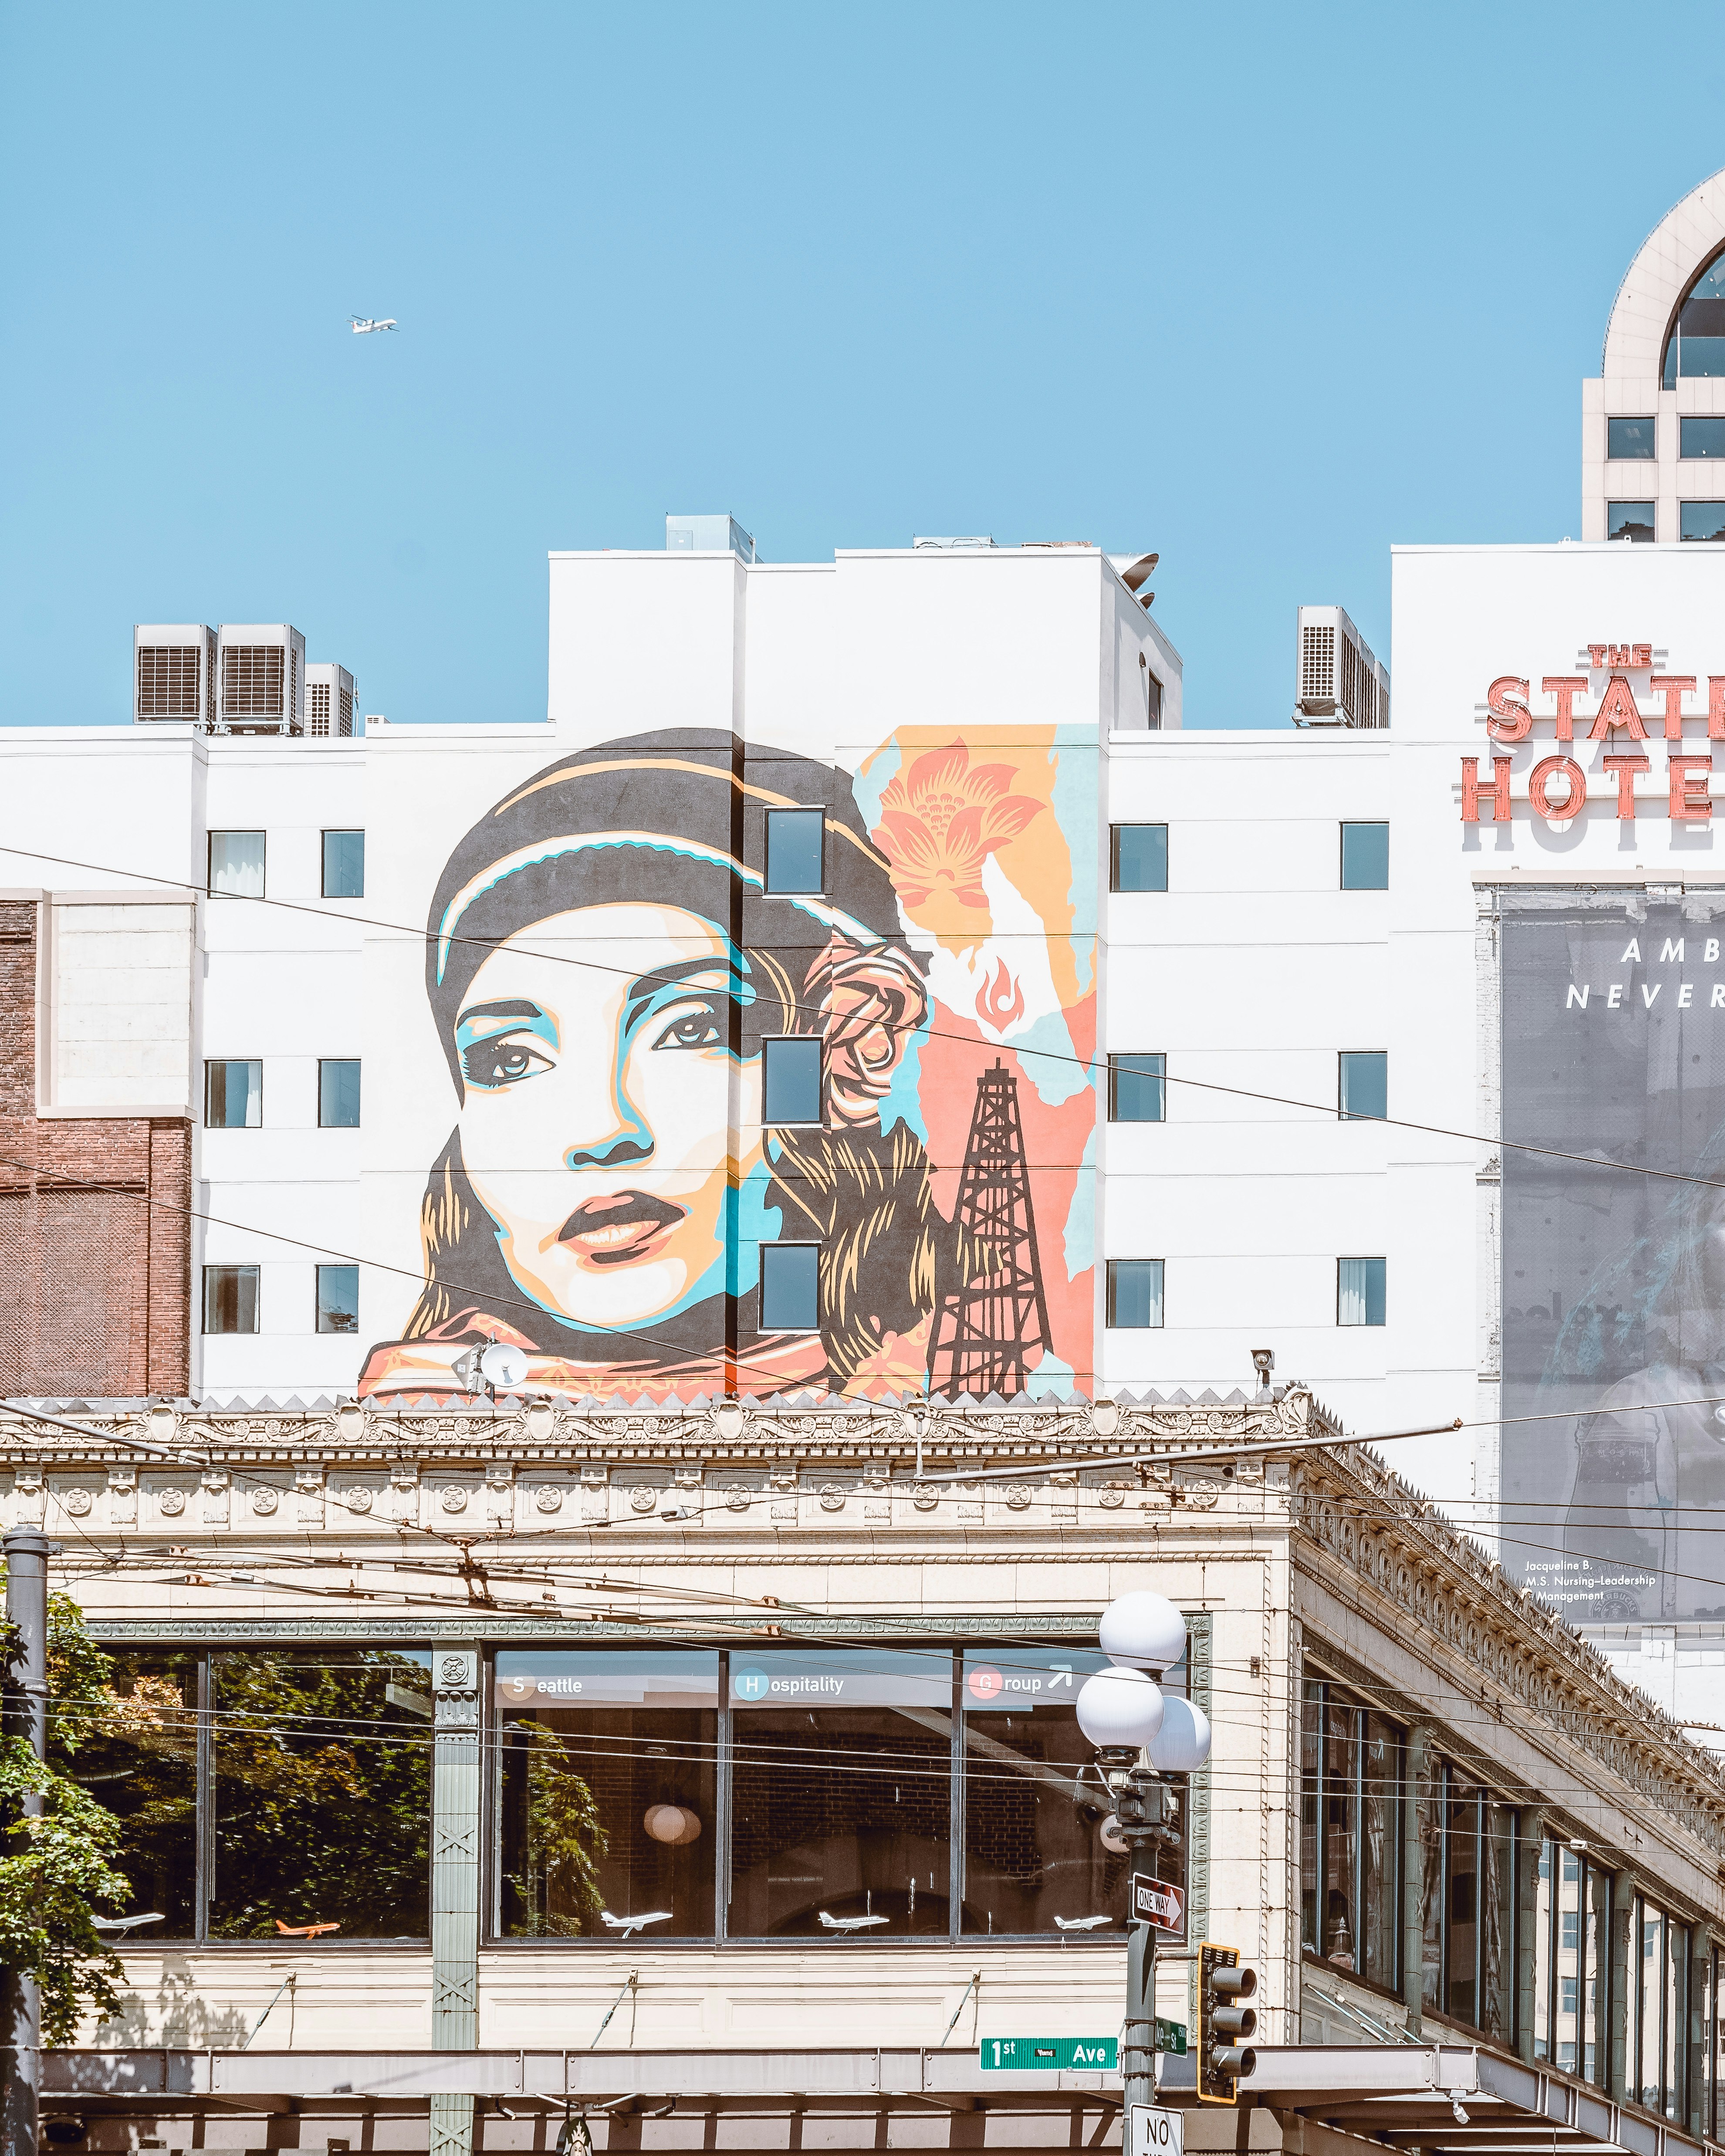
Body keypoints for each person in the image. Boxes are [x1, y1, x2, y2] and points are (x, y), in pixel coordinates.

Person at [357, 729, 962, 1402]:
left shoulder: (941, 1364)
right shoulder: (415, 1407)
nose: (603, 1131)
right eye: (510, 1059)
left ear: (852, 1040)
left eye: (692, 1027)